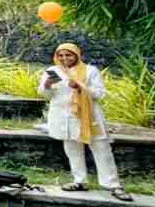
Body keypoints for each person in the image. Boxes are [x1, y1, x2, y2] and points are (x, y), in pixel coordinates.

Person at [39, 43, 132, 202]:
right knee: (72, 148)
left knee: (101, 148)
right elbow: (45, 95)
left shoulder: (90, 71)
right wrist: (47, 85)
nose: (64, 58)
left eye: (68, 55)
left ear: (77, 55)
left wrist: (80, 86)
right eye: (61, 55)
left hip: (89, 116)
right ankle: (80, 181)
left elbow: (99, 94)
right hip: (63, 116)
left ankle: (113, 185)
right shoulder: (53, 71)